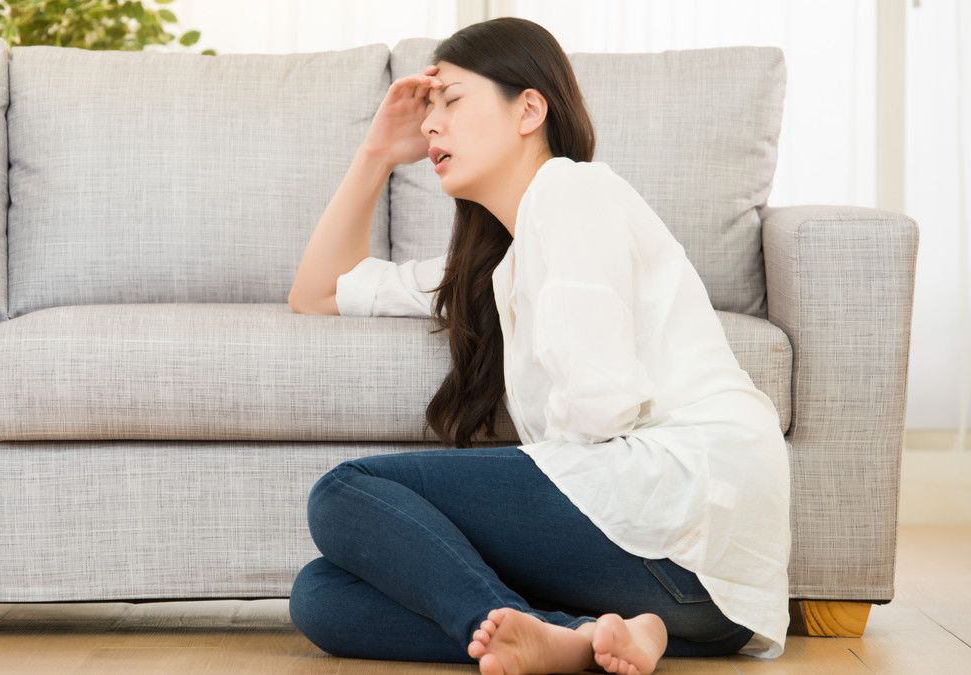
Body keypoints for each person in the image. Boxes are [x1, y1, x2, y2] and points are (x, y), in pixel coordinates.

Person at [287, 16, 790, 675]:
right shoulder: (498, 262)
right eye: (429, 111)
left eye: (452, 100)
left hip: (677, 509)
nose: (431, 124)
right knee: (323, 595)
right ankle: (590, 638)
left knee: (345, 490)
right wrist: (376, 153)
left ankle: (518, 623)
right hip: (704, 598)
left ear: (529, 109)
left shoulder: (571, 190)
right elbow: (319, 291)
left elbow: (601, 403)